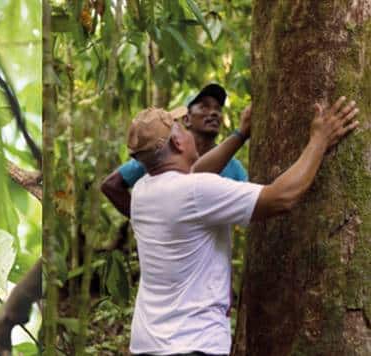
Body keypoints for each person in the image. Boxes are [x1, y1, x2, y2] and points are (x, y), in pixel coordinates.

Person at [126, 97, 359, 356]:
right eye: (182, 126)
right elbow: (282, 197)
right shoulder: (194, 192)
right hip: (191, 344)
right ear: (177, 142)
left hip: (147, 344)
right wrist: (320, 140)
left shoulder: (142, 191)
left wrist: (240, 135)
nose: (187, 130)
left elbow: (193, 173)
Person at [101, 84, 250, 218]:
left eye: (218, 108)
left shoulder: (232, 166)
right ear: (186, 120)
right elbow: (112, 184)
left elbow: (253, 203)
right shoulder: (163, 156)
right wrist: (146, 222)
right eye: (204, 107)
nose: (214, 113)